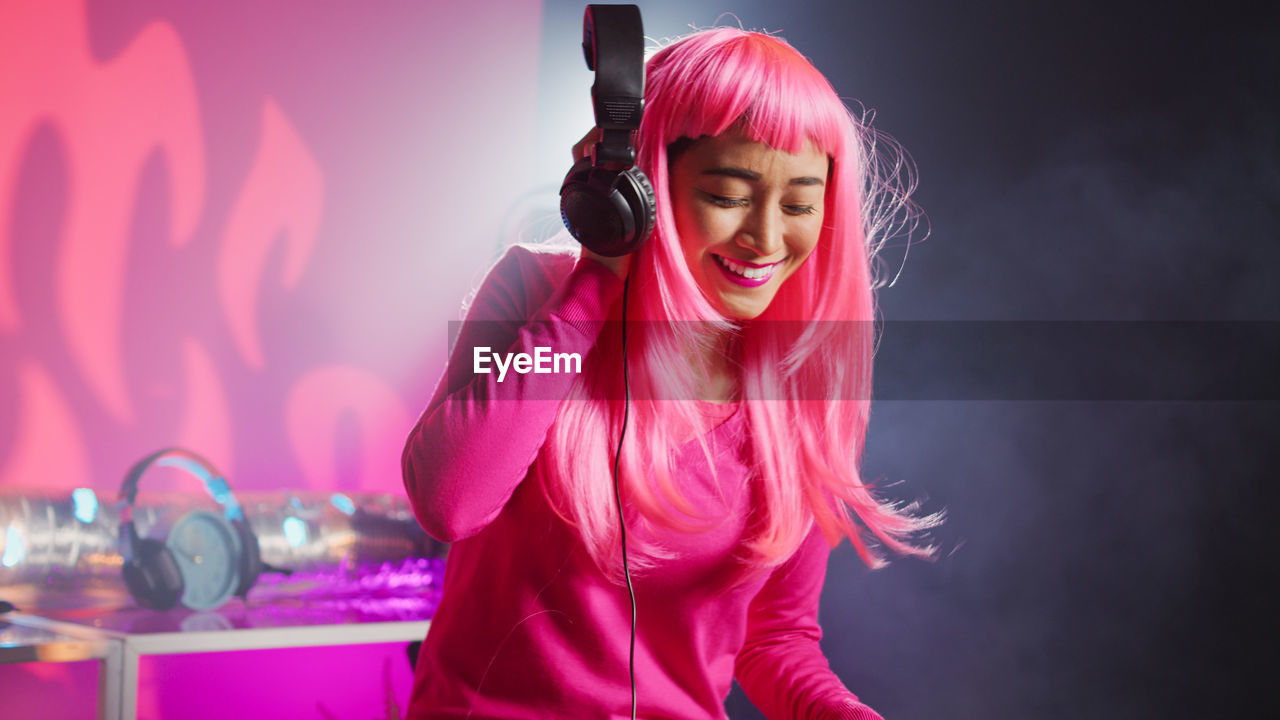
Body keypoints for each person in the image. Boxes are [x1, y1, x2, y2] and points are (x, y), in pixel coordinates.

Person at [402, 27, 937, 720]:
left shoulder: (799, 385)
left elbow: (773, 637)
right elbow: (450, 500)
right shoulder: (531, 294)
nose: (767, 240)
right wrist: (596, 281)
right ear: (640, 187)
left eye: (801, 205)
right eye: (727, 195)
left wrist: (843, 713)